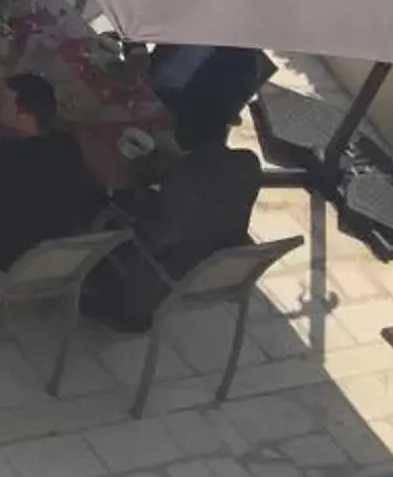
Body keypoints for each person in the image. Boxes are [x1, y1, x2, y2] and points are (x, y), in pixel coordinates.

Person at [90, 113, 263, 329]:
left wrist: (137, 201)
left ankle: (114, 301)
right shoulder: (248, 162)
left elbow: (161, 237)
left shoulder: (186, 174)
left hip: (177, 271)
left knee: (109, 211)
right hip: (220, 253)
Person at [0, 73, 103, 282]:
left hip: (1, 265)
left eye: (5, 103)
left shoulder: (4, 157)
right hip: (53, 258)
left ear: (25, 118)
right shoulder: (68, 145)